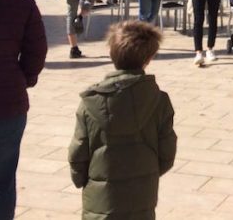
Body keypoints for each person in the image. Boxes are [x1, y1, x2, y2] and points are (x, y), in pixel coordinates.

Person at [68, 21, 176, 219]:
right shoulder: (159, 101)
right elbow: (167, 153)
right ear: (149, 59)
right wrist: (147, 173)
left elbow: (78, 152)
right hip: (141, 197)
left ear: (111, 54)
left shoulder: (90, 104)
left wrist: (81, 179)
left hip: (100, 203)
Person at [0, 0, 47, 220]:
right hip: (9, 102)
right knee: (3, 179)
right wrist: (25, 78)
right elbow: (36, 51)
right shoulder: (23, 2)